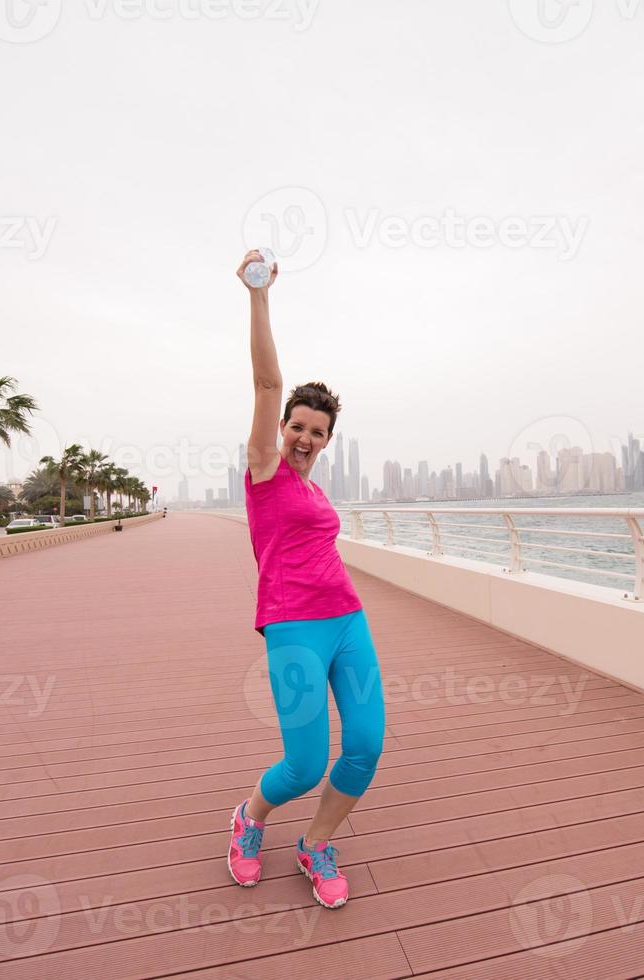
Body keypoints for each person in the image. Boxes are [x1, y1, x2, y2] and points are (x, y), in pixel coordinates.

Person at [226, 249, 386, 910]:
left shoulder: (315, 492)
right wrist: (258, 294)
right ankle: (250, 819)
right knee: (302, 765)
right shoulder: (264, 473)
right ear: (282, 427)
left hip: (346, 620)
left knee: (367, 745)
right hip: (291, 625)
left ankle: (315, 844)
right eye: (297, 426)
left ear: (327, 439)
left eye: (317, 432)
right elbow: (266, 385)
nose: (304, 437)